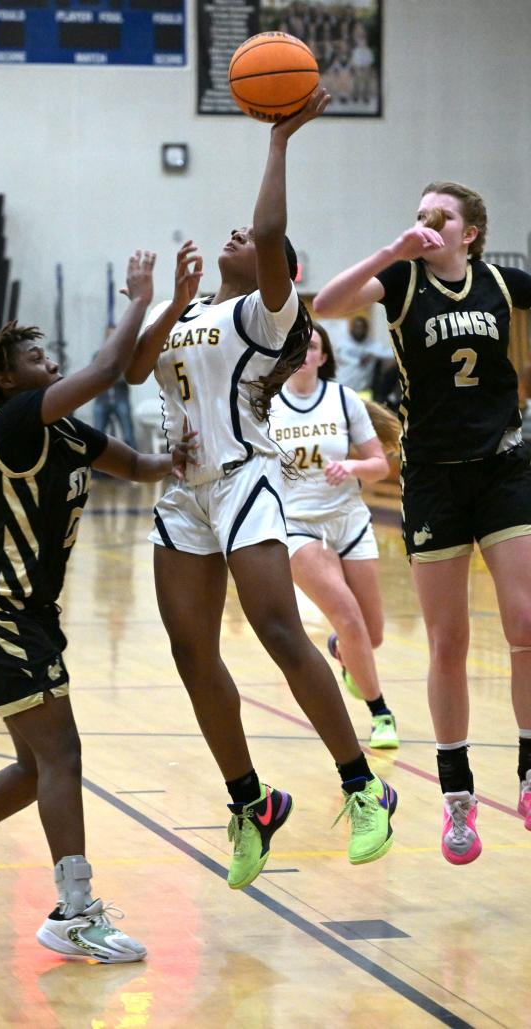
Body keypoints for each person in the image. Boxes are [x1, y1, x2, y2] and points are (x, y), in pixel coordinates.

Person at [0, 251, 196, 962]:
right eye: (34, 353)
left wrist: (177, 457)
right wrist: (140, 299)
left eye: (47, 352)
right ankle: (72, 912)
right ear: (3, 378)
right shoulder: (14, 421)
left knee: (34, 765)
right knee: (63, 753)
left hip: (28, 611)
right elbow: (111, 369)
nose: (49, 360)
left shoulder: (64, 431)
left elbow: (136, 467)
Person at [125, 88, 397, 892]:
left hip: (246, 478)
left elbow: (271, 228)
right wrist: (167, 303)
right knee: (189, 651)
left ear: (278, 273)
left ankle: (361, 784)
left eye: (249, 240)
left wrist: (280, 140)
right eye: (233, 233)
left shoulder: (264, 313)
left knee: (278, 628)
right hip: (183, 496)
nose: (237, 233)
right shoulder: (196, 311)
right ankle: (251, 802)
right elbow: (135, 367)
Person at [314, 180, 531, 865]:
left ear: (469, 232)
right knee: (449, 641)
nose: (427, 223)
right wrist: (393, 247)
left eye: (441, 216)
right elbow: (326, 304)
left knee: (526, 623)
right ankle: (457, 797)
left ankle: (529, 769)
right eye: (419, 213)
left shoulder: (500, 281)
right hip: (435, 477)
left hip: (502, 467)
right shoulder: (402, 280)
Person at [269, 322, 400, 749]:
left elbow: (379, 464)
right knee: (346, 614)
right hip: (298, 525)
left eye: (312, 347)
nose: (305, 353)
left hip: (349, 519)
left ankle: (345, 651)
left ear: (324, 357)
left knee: (372, 633)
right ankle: (381, 713)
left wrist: (353, 467)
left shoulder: (344, 400)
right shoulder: (267, 406)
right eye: (298, 347)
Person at [92, 329, 137, 449]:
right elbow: (94, 377)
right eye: (109, 336)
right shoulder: (98, 355)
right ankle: (97, 466)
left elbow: (128, 377)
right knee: (97, 433)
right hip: (102, 400)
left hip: (120, 399)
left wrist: (108, 373)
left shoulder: (126, 355)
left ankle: (134, 462)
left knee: (128, 435)